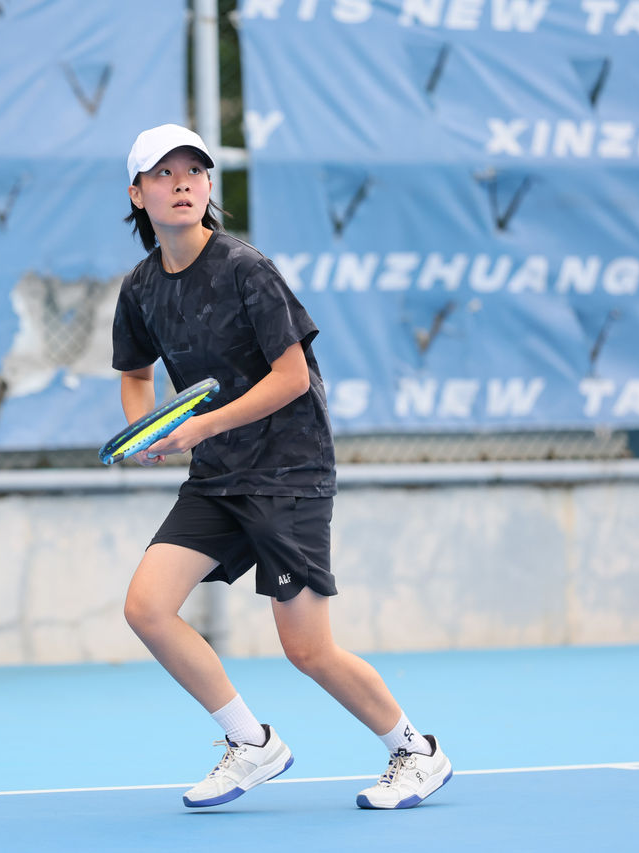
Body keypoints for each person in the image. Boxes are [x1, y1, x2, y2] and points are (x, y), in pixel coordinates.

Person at [111, 123, 453, 810]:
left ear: (209, 185)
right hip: (217, 476)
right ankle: (252, 742)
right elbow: (135, 372)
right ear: (138, 194)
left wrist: (198, 426)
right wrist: (148, 427)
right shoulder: (142, 287)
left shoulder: (245, 269)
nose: (182, 184)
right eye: (163, 173)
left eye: (194, 171)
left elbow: (292, 377)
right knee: (146, 607)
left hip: (288, 472)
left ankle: (417, 752)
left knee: (307, 650)